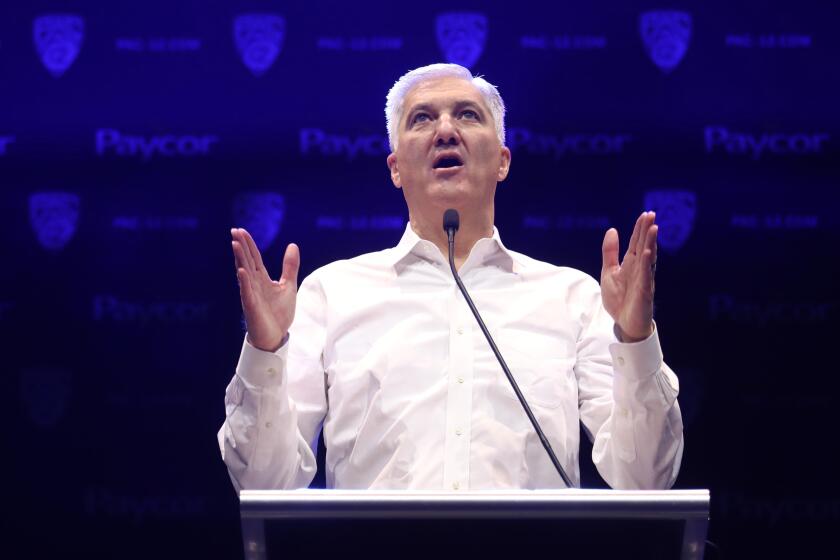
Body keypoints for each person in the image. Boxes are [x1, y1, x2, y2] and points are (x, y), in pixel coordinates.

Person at [218, 63, 683, 491]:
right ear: (396, 168)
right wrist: (265, 353)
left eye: (467, 115)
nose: (445, 130)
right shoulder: (331, 294)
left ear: (502, 161)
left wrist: (635, 339)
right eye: (421, 118)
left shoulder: (573, 297)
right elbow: (264, 483)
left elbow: (644, 479)